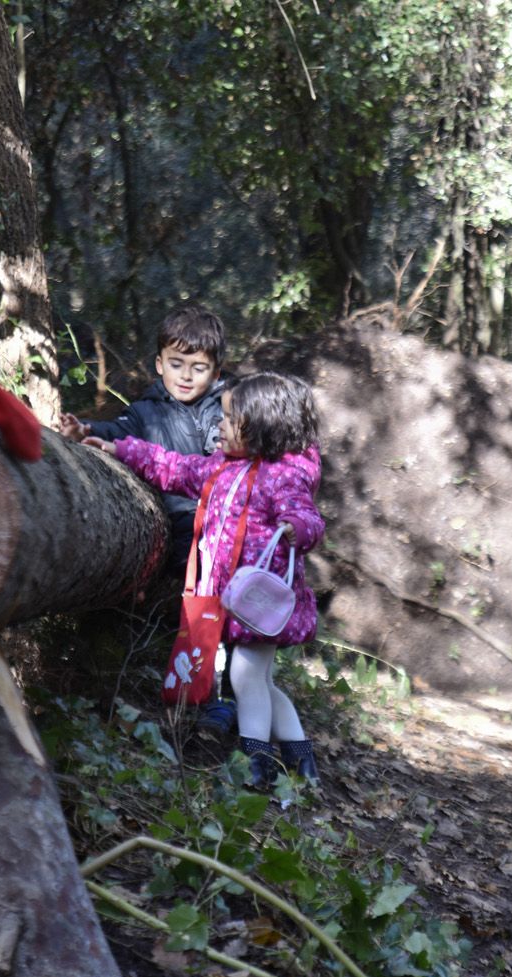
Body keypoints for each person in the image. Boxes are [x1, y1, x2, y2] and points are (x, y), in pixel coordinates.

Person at [83, 371, 325, 788]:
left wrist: (295, 528)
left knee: (245, 677)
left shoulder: (283, 475)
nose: (221, 425)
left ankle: (257, 764)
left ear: (261, 427)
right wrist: (119, 448)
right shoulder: (224, 469)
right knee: (261, 681)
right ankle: (303, 759)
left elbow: (307, 516)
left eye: (231, 420)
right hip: (233, 601)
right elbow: (176, 468)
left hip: (260, 603)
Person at [58, 305, 228, 567]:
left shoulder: (229, 410)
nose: (185, 375)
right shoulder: (144, 412)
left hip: (231, 515)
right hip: (183, 523)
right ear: (160, 364)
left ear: (216, 373)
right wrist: (84, 430)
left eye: (198, 368)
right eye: (176, 364)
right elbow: (116, 432)